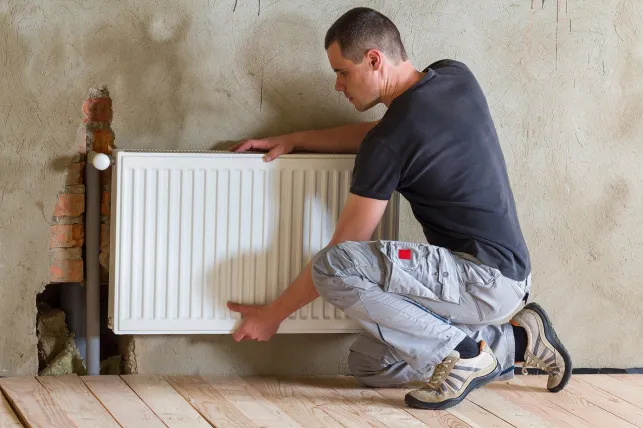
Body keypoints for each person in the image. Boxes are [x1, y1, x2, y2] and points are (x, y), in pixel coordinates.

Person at [226, 7, 572, 410]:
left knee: (333, 266)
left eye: (342, 72)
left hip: (479, 278)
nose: (338, 86)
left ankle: (464, 354)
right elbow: (388, 134)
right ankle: (520, 340)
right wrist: (297, 138)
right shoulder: (454, 76)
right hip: (509, 276)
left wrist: (273, 315)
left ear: (373, 59)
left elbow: (344, 248)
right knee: (371, 364)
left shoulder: (388, 143)